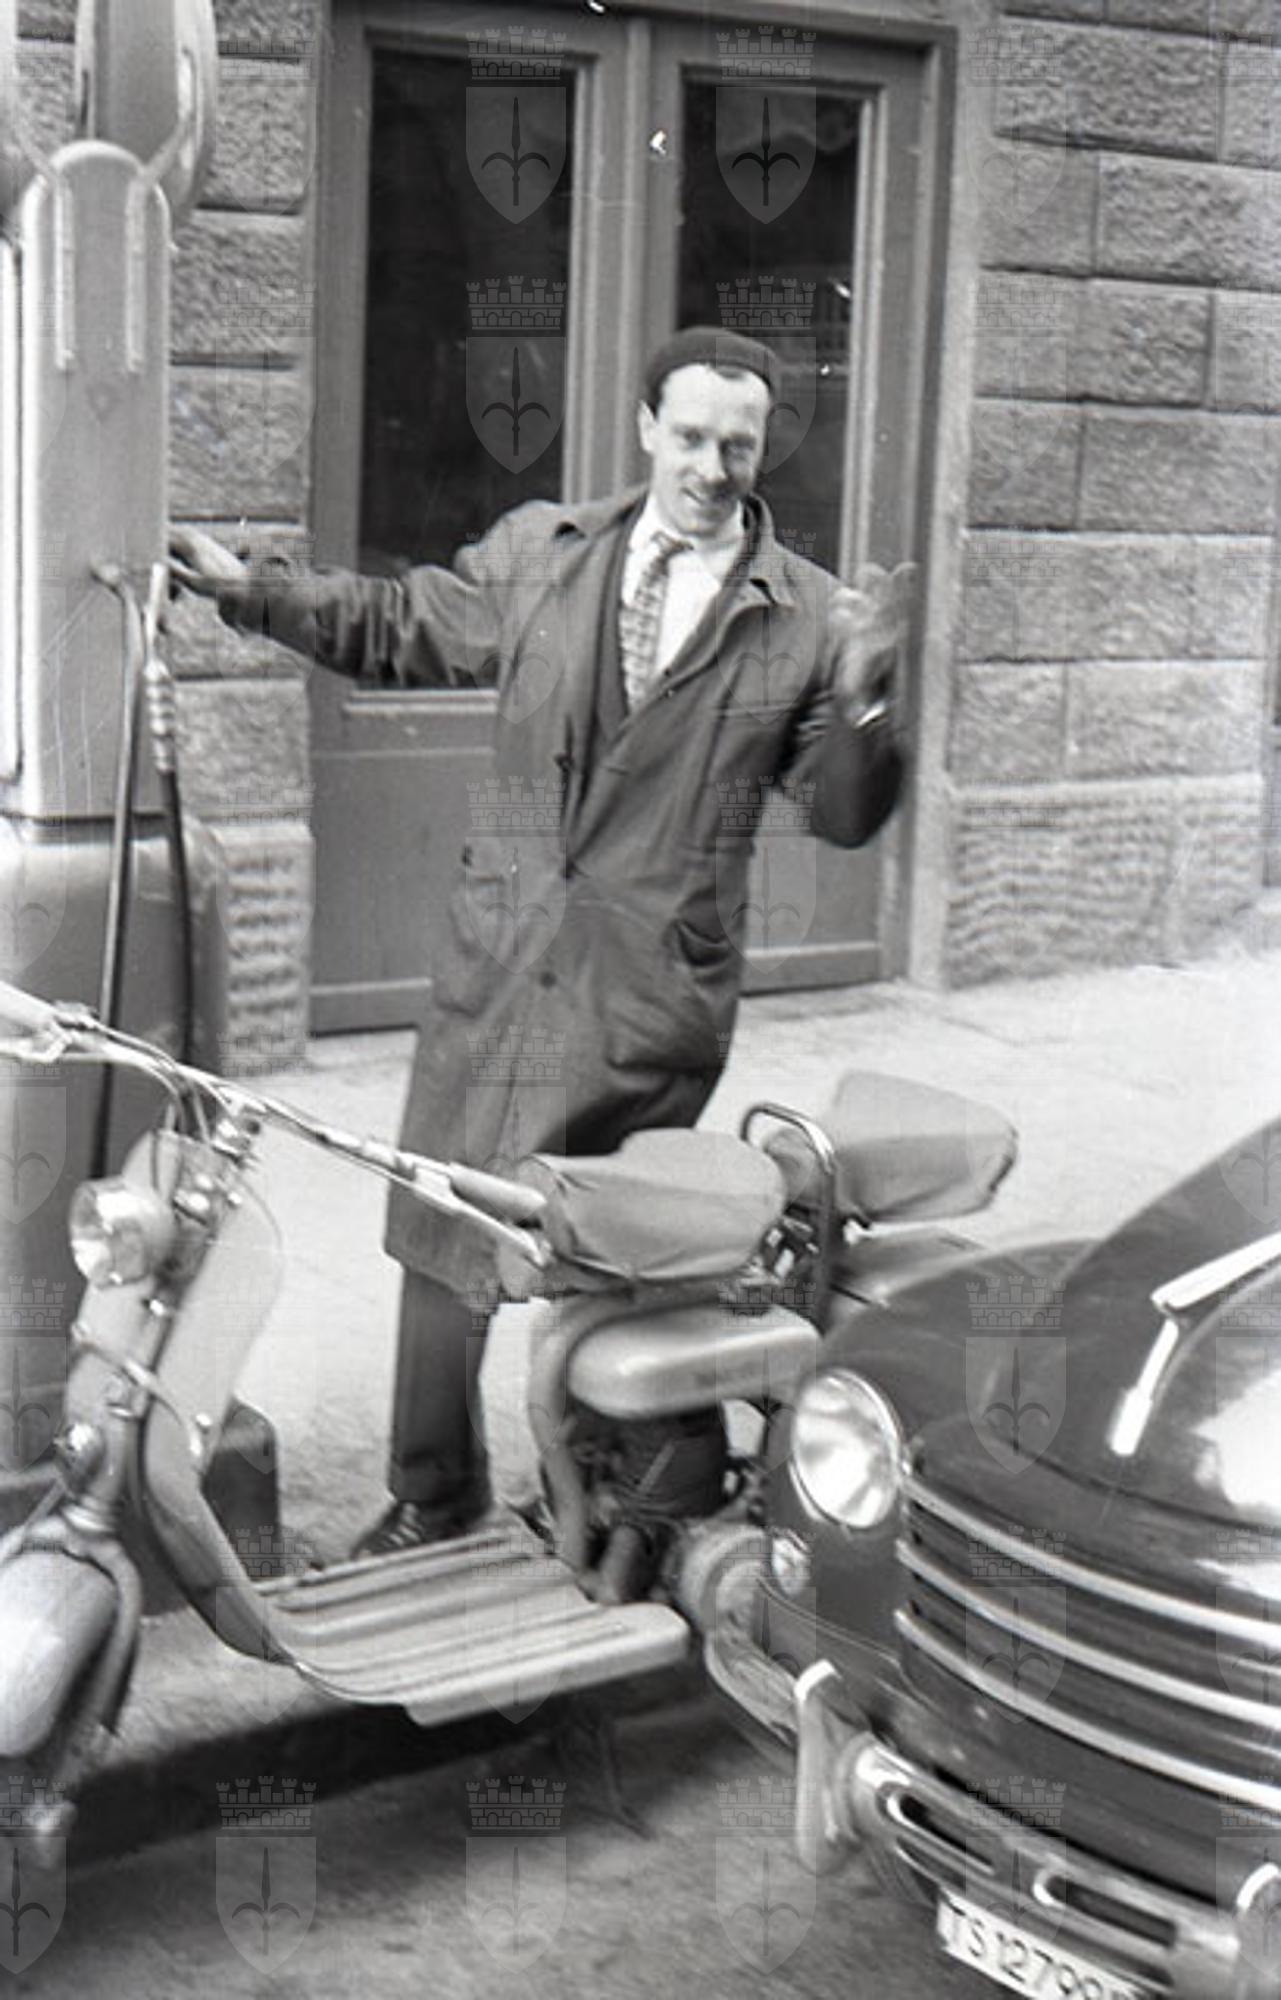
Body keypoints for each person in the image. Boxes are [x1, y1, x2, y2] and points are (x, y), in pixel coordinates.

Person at [171, 325, 910, 1556]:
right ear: (646, 427)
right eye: (690, 437)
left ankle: (630, 1492)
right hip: (506, 951)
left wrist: (870, 697)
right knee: (442, 1218)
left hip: (651, 986)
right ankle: (434, 1489)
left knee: (619, 1248)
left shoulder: (808, 618)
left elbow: (841, 815)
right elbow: (400, 620)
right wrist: (250, 587)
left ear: (763, 447)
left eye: (737, 445)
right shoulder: (544, 551)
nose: (712, 467)